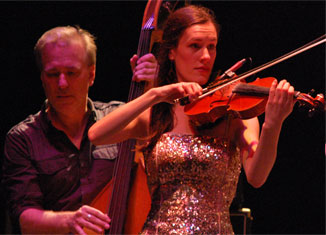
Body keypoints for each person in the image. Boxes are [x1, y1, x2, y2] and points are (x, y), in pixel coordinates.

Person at [88, 5, 296, 234]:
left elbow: (257, 177)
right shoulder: (157, 114)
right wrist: (155, 94)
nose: (205, 56)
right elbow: (96, 134)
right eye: (195, 46)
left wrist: (273, 125)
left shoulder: (233, 113)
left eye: (212, 47)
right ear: (172, 51)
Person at [1, 25, 157, 234]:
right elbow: (25, 218)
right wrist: (70, 220)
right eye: (53, 74)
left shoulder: (120, 118)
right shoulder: (23, 138)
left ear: (91, 74)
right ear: (41, 78)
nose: (62, 84)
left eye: (72, 73)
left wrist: (154, 87)